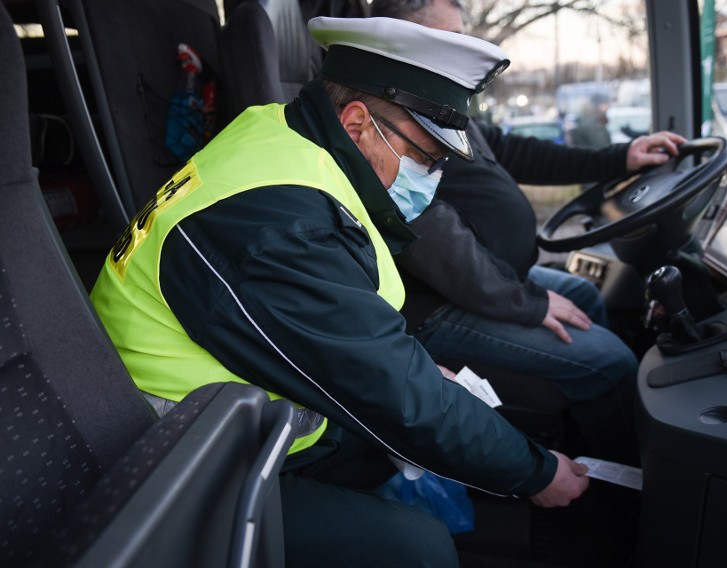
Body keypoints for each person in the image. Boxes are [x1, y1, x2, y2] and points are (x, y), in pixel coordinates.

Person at [89, 16, 592, 567]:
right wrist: (536, 472)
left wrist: (423, 372)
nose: (432, 175)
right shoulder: (283, 229)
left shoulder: (285, 137)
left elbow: (359, 334)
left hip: (243, 403)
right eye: (426, 157)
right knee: (420, 550)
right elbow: (403, 399)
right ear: (356, 125)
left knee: (400, 452)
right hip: (182, 456)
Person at [370, 0, 686, 467]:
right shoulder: (389, 123)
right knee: (613, 362)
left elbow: (515, 151)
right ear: (399, 43)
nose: (466, 54)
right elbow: (436, 243)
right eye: (451, 41)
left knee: (584, 293)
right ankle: (632, 493)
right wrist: (529, 303)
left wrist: (620, 158)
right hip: (436, 303)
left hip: (486, 280)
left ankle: (585, 439)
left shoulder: (441, 102)